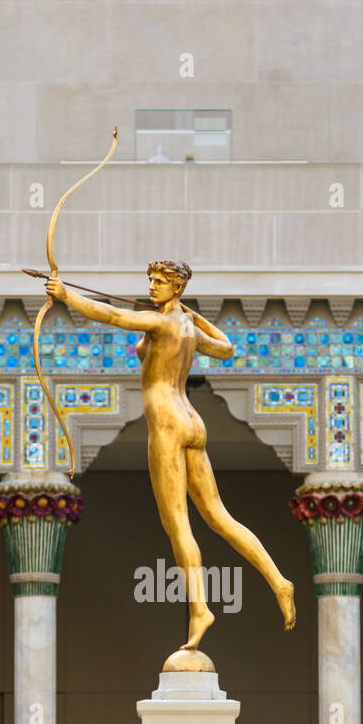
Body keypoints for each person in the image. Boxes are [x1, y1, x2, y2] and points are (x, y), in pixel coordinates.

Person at [46, 264, 295, 652]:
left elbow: (113, 315)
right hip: (193, 422)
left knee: (178, 523)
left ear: (176, 287)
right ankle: (278, 580)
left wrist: (66, 297)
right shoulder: (187, 327)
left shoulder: (159, 324)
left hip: (167, 424)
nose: (152, 286)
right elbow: (226, 347)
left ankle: (200, 609)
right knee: (218, 517)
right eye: (151, 281)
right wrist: (191, 313)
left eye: (160, 282)